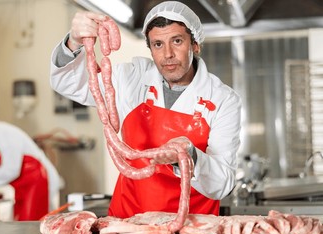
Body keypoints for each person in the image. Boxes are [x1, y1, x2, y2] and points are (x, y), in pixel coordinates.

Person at [50, 1, 241, 218]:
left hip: (191, 227)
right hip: (128, 223)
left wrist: (191, 155)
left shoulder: (223, 99)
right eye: (158, 44)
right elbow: (68, 83)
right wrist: (74, 42)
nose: (168, 54)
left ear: (195, 45)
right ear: (150, 48)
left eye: (177, 41)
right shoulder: (130, 78)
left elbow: (223, 184)